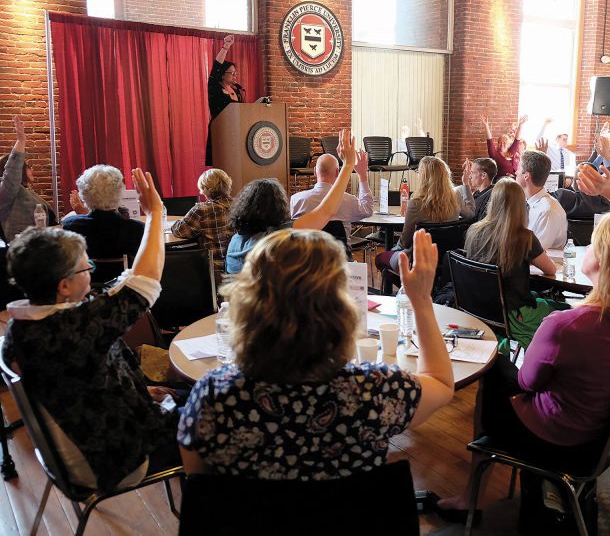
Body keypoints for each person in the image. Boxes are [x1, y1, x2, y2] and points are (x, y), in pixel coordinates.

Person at [436, 164, 610, 517]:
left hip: (557, 437)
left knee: (494, 376)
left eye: (593, 242)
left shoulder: (567, 326)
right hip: (602, 437)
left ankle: (472, 494)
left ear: (604, 260)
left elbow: (528, 382)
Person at [178, 228, 454, 479]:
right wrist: (421, 301)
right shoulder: (376, 390)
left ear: (247, 306)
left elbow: (200, 486)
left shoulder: (214, 394)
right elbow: (441, 384)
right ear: (340, 309)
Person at [2, 168, 180, 493]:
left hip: (86, 440)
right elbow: (145, 284)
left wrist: (136, 393)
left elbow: (79, 382)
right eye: (88, 267)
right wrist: (156, 214)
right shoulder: (73, 329)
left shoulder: (19, 330)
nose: (91, 272)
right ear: (64, 285)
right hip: (114, 459)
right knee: (220, 413)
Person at [226, 129, 357, 274]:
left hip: (239, 297)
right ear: (279, 208)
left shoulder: (234, 243)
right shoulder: (275, 238)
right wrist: (348, 165)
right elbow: (326, 211)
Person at [465, 178, 557, 350]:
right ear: (521, 206)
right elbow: (550, 269)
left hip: (480, 309)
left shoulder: (474, 231)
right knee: (563, 310)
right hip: (514, 315)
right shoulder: (525, 237)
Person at [375, 156, 475, 272]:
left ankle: (407, 289)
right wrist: (466, 185)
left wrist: (395, 249)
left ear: (424, 177)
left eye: (418, 172)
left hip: (417, 261)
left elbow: (406, 241)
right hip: (446, 260)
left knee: (380, 259)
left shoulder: (416, 203)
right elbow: (471, 214)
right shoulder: (455, 197)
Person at [62, 165, 145, 263]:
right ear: (120, 192)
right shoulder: (137, 228)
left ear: (84, 195)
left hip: (86, 277)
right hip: (124, 277)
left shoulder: (70, 225)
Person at [290, 150, 372, 238]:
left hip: (308, 251)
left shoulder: (296, 200)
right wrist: (362, 175)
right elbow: (368, 209)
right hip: (339, 251)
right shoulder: (349, 200)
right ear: (337, 172)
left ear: (314, 172)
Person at [170, 168, 234, 281]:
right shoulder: (240, 205)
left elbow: (180, 231)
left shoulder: (201, 210)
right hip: (237, 267)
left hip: (213, 271)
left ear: (205, 189)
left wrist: (178, 222)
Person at [0, 116, 56, 240]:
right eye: (28, 166)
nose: (32, 169)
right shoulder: (7, 192)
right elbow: (11, 173)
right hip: (25, 248)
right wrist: (21, 140)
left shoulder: (25, 191)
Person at [514, 149, 567, 249]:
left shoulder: (547, 211)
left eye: (518, 168)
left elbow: (536, 252)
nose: (516, 172)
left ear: (526, 176)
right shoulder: (525, 202)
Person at [206, 35, 244, 166]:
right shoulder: (215, 87)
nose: (234, 76)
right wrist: (226, 47)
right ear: (222, 74)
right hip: (220, 130)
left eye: (235, 73)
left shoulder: (237, 91)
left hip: (236, 131)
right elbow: (216, 67)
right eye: (231, 73)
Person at [461, 157, 497, 221]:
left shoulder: (491, 196)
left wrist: (465, 183)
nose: (470, 176)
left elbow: (471, 217)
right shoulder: (478, 193)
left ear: (483, 175)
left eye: (472, 172)